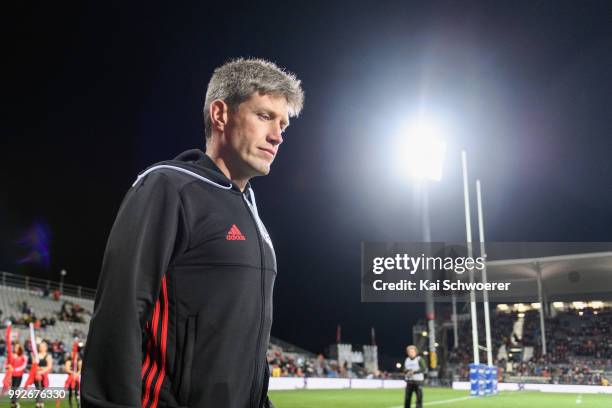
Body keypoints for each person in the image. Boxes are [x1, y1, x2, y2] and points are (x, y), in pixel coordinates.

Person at [81, 58, 304, 408]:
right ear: (220, 114)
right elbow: (119, 313)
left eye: (283, 126)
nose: (277, 136)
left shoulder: (254, 217)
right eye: (264, 116)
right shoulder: (168, 186)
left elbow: (246, 342)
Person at [34, 341, 53, 408]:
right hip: (37, 375)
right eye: (40, 347)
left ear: (45, 348)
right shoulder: (36, 355)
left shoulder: (48, 356)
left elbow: (49, 366)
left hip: (44, 375)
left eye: (43, 347)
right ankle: (39, 403)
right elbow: (34, 365)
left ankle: (40, 402)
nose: (41, 348)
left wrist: (41, 370)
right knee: (38, 388)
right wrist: (38, 370)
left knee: (42, 389)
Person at [8, 343, 27, 408]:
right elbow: (9, 364)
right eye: (15, 347)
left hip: (19, 375)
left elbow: (23, 366)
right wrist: (9, 366)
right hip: (12, 375)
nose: (16, 349)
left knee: (15, 388)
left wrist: (15, 369)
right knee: (13, 388)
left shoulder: (23, 356)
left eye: (17, 347)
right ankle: (14, 403)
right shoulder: (12, 355)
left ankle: (14, 402)